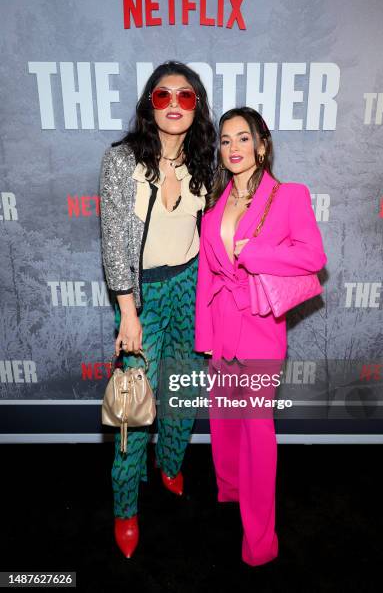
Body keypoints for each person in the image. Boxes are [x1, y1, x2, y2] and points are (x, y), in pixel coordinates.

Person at [195, 107, 327, 566]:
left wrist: (260, 252)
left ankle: (260, 541)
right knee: (223, 420)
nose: (233, 148)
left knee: (256, 429)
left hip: (260, 327)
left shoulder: (289, 196)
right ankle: (230, 490)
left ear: (262, 145)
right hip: (222, 328)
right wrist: (205, 336)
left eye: (243, 139)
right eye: (226, 140)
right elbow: (207, 277)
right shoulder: (214, 206)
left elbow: (313, 256)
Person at [100, 61, 216, 558]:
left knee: (183, 387)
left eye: (185, 97)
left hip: (190, 286)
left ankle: (170, 464)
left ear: (197, 106)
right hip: (141, 296)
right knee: (132, 408)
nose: (174, 105)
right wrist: (127, 311)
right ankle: (126, 510)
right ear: (150, 103)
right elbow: (113, 243)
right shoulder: (122, 161)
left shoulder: (204, 158)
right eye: (163, 95)